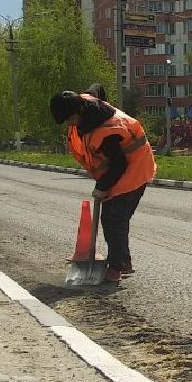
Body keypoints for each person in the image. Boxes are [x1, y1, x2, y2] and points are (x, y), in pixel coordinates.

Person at [49, 90, 156, 284]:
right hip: (121, 172)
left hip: (134, 171)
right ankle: (122, 261)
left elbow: (119, 164)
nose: (69, 124)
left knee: (114, 219)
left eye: (70, 119)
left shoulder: (107, 132)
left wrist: (102, 187)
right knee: (112, 218)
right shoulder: (85, 105)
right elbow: (96, 89)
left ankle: (117, 266)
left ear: (80, 109)